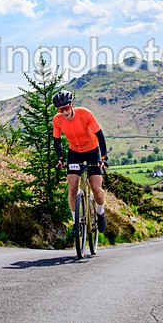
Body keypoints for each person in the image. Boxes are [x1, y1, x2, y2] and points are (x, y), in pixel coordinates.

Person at [52, 90, 108, 234]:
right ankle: (76, 222)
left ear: (72, 105)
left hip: (92, 151)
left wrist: (103, 158)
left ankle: (100, 213)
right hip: (75, 152)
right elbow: (57, 142)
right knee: (72, 189)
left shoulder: (85, 113)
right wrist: (61, 158)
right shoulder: (57, 120)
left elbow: (100, 136)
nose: (64, 112)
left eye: (66, 108)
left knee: (96, 188)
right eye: (60, 110)